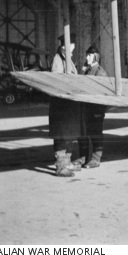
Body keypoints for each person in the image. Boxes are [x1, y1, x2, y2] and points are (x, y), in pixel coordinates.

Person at [49, 33, 83, 177]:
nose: (72, 51)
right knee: (62, 136)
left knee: (69, 135)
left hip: (69, 107)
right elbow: (56, 81)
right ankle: (61, 166)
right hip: (61, 107)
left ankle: (67, 162)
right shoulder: (58, 60)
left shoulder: (67, 59)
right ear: (64, 46)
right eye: (70, 48)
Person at [73, 46, 108, 169]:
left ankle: (95, 159)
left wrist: (100, 111)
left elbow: (103, 94)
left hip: (95, 109)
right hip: (85, 108)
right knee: (82, 134)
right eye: (87, 55)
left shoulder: (100, 72)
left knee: (96, 134)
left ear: (96, 57)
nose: (87, 57)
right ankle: (83, 158)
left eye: (89, 55)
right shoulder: (87, 70)